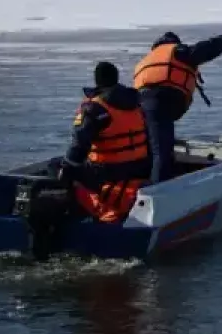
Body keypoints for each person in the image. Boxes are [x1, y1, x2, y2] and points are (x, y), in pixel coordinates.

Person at [133, 27, 222, 182]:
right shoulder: (177, 51)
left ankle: (144, 181)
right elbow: (207, 49)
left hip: (140, 106)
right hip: (161, 101)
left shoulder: (147, 60)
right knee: (162, 152)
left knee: (150, 146)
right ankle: (157, 191)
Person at [57, 61, 153, 224]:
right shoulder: (137, 103)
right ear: (116, 78)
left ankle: (84, 211)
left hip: (107, 172)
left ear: (97, 81)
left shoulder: (95, 108)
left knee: (56, 167)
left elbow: (78, 147)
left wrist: (66, 168)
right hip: (139, 168)